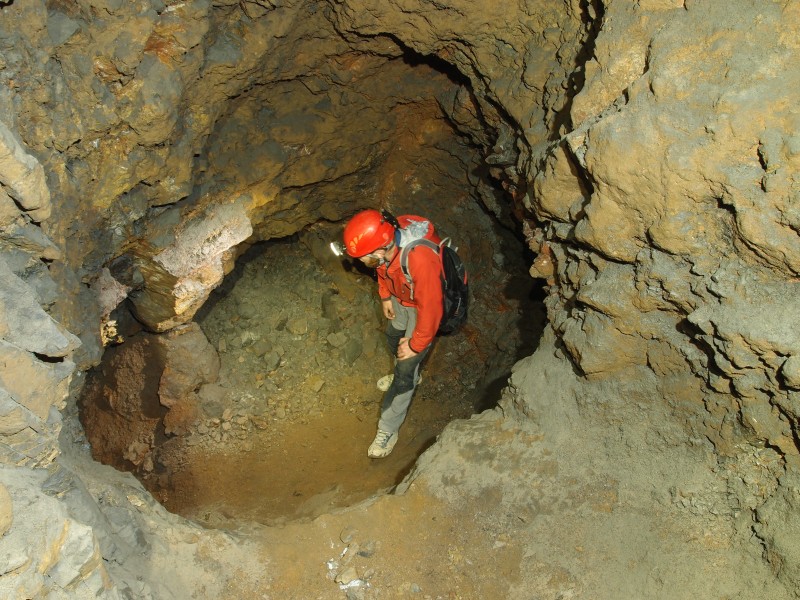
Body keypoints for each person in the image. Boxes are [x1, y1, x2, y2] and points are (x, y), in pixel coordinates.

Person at [342, 209, 444, 458]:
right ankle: (406, 369)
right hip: (401, 298)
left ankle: (388, 428)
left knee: (404, 373)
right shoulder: (389, 235)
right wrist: (386, 295)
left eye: (362, 257)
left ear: (380, 248)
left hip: (421, 311)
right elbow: (383, 266)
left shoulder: (421, 260)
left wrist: (416, 345)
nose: (359, 262)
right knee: (391, 337)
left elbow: (432, 308)